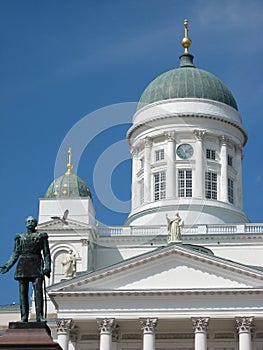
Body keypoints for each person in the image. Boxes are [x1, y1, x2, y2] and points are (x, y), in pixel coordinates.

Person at [0, 216, 51, 322]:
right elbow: (15, 253)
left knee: (38, 292)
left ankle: (39, 316)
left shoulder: (41, 236)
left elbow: (46, 254)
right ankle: (24, 317)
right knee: (23, 292)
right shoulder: (20, 237)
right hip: (23, 265)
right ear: (26, 224)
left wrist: (48, 267)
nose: (31, 223)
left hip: (36, 264)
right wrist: (8, 265)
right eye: (29, 221)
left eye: (32, 221)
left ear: (35, 224)